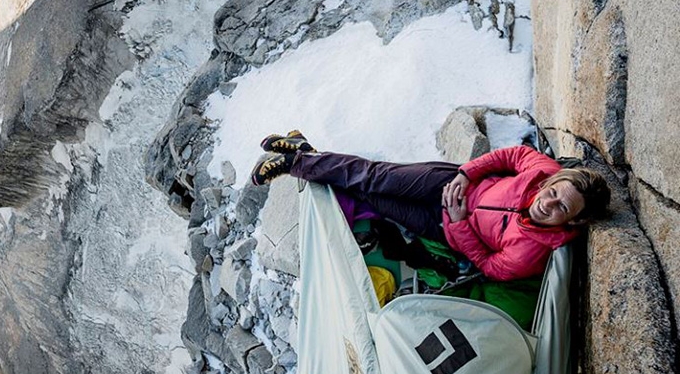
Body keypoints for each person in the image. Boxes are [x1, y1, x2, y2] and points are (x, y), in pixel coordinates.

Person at [249, 130, 611, 281]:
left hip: (441, 224)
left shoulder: (531, 253)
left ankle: (305, 151)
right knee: (373, 177)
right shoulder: (544, 173)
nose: (548, 204)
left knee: (371, 197)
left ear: (574, 221)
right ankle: (295, 163)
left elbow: (489, 266)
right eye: (552, 193)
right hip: (449, 181)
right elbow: (513, 155)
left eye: (561, 208)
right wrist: (467, 174)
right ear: (552, 181)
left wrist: (458, 223)